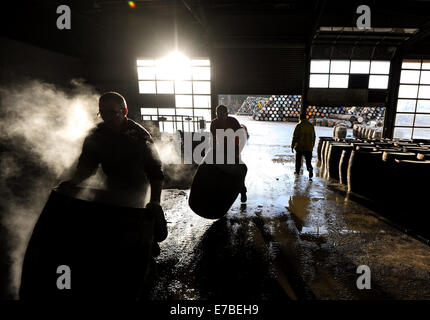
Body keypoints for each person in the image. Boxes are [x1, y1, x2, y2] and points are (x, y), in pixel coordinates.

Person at [60, 92, 167, 255]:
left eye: (112, 113)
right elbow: (87, 166)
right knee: (114, 223)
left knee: (136, 222)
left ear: (124, 112)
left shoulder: (139, 135)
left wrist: (155, 201)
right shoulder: (96, 135)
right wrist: (73, 183)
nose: (106, 118)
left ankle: (148, 242)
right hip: (113, 182)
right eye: (102, 113)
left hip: (137, 185)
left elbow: (155, 171)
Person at [210, 105, 247, 202]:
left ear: (227, 114)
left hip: (234, 148)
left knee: (239, 170)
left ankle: (242, 191)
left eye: (223, 115)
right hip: (221, 148)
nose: (221, 117)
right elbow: (213, 139)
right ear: (216, 114)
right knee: (220, 170)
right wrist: (213, 151)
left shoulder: (233, 121)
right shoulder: (214, 123)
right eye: (218, 115)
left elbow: (242, 136)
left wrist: (238, 151)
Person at [292, 113, 316, 180]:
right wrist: (312, 146)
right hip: (309, 147)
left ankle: (297, 172)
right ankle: (310, 169)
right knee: (308, 162)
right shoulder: (311, 126)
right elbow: (314, 137)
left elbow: (294, 137)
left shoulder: (298, 125)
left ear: (300, 118)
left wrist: (292, 146)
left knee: (298, 161)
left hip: (300, 147)